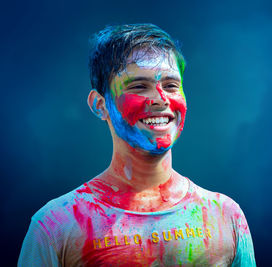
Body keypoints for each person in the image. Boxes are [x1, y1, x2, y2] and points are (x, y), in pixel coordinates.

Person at [18, 23, 256, 267]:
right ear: (100, 104)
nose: (161, 99)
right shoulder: (56, 225)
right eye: (139, 86)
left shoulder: (225, 215)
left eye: (171, 85)